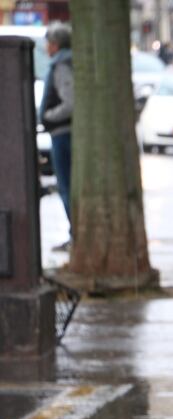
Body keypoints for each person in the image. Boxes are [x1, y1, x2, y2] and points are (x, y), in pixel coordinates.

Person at [41, 21, 74, 252]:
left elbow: (70, 101)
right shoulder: (64, 62)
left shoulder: (61, 65)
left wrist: (49, 116)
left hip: (62, 133)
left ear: (55, 44)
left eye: (48, 43)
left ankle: (77, 236)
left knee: (66, 186)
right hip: (62, 132)